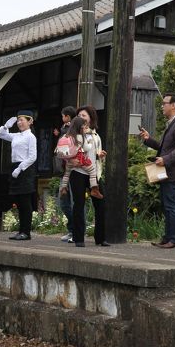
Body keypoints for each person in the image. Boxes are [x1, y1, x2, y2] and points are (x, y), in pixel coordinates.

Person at [138, 92, 175, 249]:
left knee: (172, 205)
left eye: (164, 103)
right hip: (166, 171)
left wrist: (165, 159)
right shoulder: (173, 123)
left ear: (173, 105)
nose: (162, 106)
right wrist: (148, 139)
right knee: (168, 204)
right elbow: (164, 147)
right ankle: (169, 237)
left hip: (172, 171)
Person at [68, 105, 109, 247]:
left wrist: (100, 155)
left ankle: (101, 238)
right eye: (78, 116)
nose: (81, 118)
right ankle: (78, 238)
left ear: (91, 118)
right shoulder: (74, 135)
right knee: (78, 205)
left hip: (94, 174)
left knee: (101, 205)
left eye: (84, 115)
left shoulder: (96, 136)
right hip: (78, 173)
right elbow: (66, 151)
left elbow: (96, 155)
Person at [0, 110, 37, 241]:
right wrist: (6, 126)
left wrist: (20, 168)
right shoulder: (17, 136)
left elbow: (32, 157)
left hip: (24, 169)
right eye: (18, 120)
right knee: (19, 202)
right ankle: (21, 231)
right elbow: (2, 135)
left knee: (25, 202)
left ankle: (26, 232)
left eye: (22, 120)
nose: (19, 123)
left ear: (30, 121)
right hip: (15, 167)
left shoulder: (30, 137)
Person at [59, 116, 103, 199]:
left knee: (67, 174)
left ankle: (63, 188)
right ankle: (94, 189)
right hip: (80, 159)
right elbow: (86, 148)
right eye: (83, 126)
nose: (84, 128)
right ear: (80, 127)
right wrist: (89, 142)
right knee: (92, 170)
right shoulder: (80, 136)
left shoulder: (67, 136)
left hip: (69, 161)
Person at [54, 106, 78, 242]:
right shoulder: (65, 128)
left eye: (63, 116)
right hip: (65, 171)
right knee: (63, 201)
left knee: (74, 202)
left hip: (74, 170)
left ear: (67, 116)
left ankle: (75, 231)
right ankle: (72, 229)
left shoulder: (71, 128)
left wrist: (62, 132)